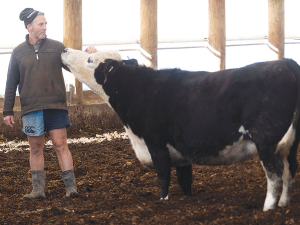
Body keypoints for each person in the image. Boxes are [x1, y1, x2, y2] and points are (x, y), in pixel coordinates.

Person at [3, 8, 97, 199]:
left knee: (61, 144)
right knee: (36, 148)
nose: (45, 27)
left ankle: (71, 189)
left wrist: (90, 55)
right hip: (31, 107)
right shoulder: (18, 53)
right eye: (41, 24)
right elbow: (11, 82)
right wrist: (7, 111)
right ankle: (38, 190)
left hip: (55, 105)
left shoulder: (56, 47)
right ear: (29, 27)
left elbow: (76, 64)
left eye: (45, 23)